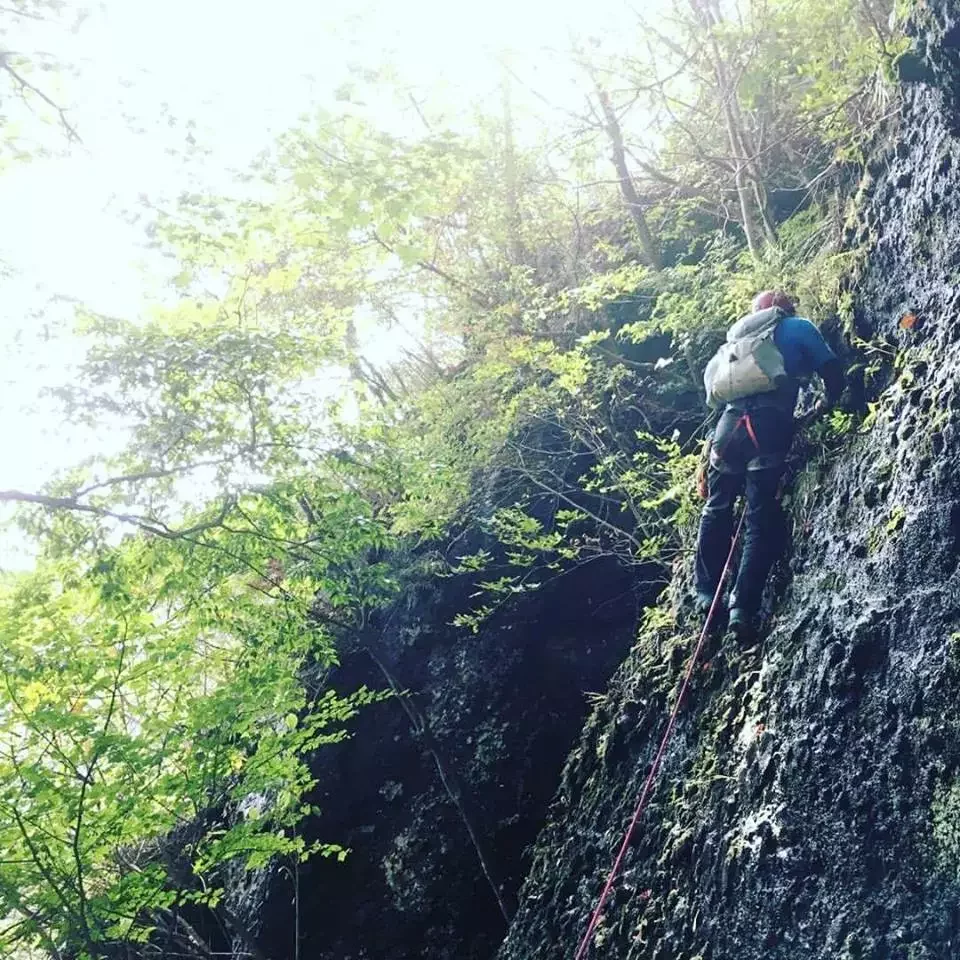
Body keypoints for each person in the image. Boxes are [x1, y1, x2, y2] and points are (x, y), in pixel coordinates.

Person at [693, 291, 844, 636]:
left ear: (754, 313)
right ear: (785, 309)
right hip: (769, 425)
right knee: (758, 516)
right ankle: (741, 608)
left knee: (716, 507)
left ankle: (704, 593)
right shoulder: (797, 327)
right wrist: (825, 407)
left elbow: (711, 393)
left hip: (728, 429)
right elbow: (833, 375)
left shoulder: (734, 340)